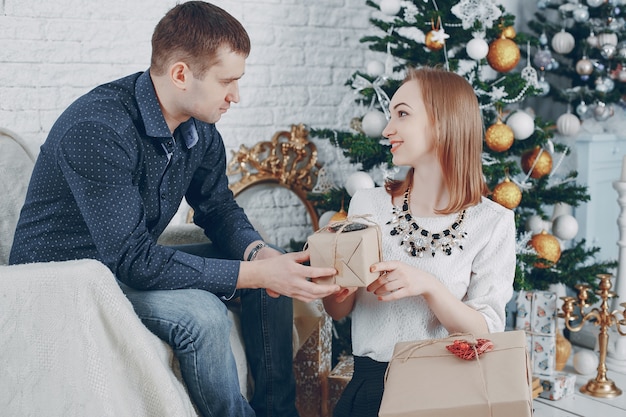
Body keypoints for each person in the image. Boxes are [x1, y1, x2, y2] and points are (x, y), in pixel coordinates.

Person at [9, 2, 339, 417]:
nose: (236, 95)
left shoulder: (198, 126)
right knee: (203, 315)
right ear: (181, 74)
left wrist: (258, 255)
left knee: (268, 274)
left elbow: (217, 206)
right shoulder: (98, 128)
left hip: (123, 260)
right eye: (227, 82)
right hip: (67, 278)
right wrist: (255, 273)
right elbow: (133, 260)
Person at [322, 67, 516, 417]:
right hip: (370, 389)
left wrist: (428, 285)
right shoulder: (367, 204)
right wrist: (336, 289)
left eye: (403, 114)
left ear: (442, 123)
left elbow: (487, 331)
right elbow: (339, 311)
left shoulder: (493, 222)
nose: (386, 129)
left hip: (447, 395)